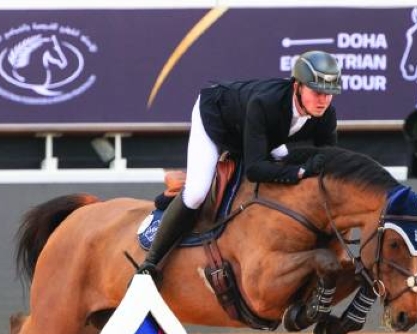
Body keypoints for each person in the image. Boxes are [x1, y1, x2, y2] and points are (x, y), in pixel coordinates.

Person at [138, 50, 343, 276]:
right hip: (217, 116)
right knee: (197, 193)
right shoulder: (265, 103)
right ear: (297, 86)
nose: (323, 100)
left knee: (287, 160)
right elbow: (255, 169)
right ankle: (150, 263)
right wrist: (300, 171)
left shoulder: (326, 114)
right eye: (317, 92)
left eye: (329, 93)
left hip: (261, 132)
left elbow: (328, 160)